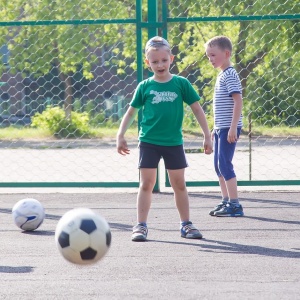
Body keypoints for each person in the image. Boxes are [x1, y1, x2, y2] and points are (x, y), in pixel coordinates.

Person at [117, 36, 213, 241]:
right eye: (154, 61)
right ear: (147, 62)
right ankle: (140, 225)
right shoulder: (144, 86)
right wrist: (120, 134)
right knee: (146, 184)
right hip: (149, 142)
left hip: (173, 143)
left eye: (163, 60)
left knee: (179, 184)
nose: (159, 65)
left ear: (171, 58)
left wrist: (207, 135)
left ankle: (186, 224)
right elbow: (131, 112)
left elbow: (197, 109)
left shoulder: (181, 83)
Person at [205, 36, 244, 217]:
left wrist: (233, 127)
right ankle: (226, 200)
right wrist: (216, 128)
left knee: (225, 164)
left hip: (229, 128)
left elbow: (238, 101)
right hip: (221, 128)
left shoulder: (230, 74)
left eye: (213, 55)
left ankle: (235, 204)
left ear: (226, 53)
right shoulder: (222, 74)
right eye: (208, 56)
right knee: (218, 165)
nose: (210, 59)